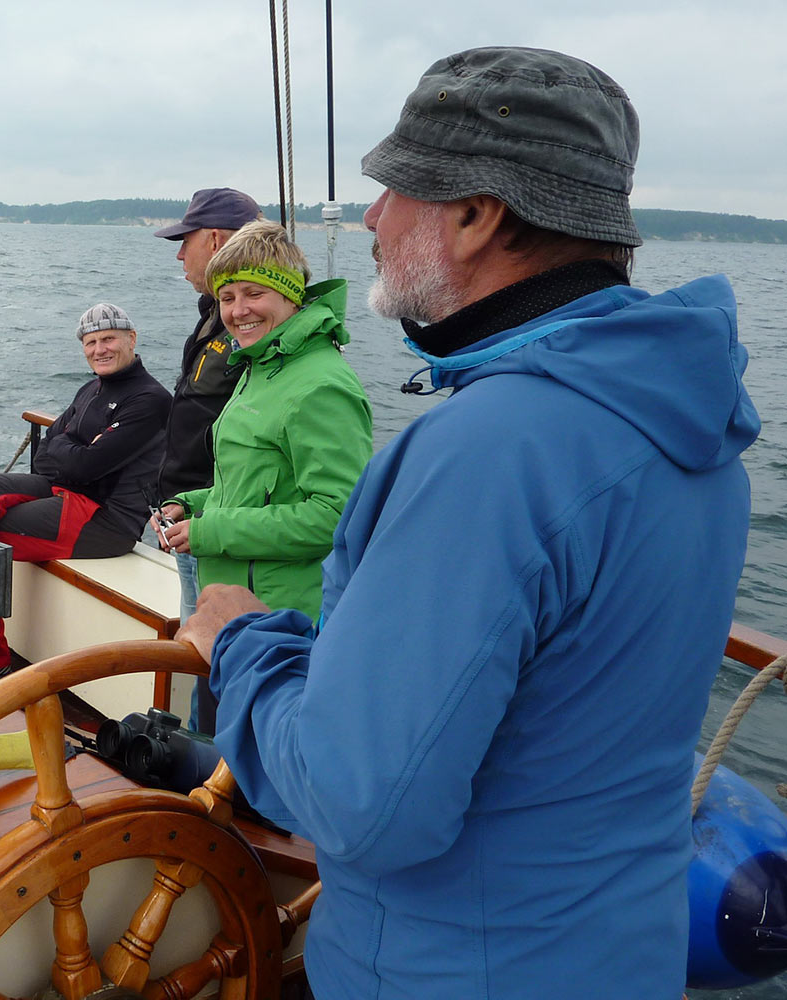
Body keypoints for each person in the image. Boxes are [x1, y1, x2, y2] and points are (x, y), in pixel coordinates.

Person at [177, 47, 759, 999]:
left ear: (477, 214)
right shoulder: (696, 425)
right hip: (618, 955)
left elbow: (360, 805)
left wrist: (242, 644)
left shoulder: (490, 451)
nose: (371, 218)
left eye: (392, 189)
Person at [154, 220, 371, 732]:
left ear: (291, 295)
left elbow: (336, 517)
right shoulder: (261, 366)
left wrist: (209, 531)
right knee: (208, 744)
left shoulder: (321, 385)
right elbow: (254, 483)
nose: (238, 311)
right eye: (227, 298)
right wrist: (194, 504)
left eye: (254, 294)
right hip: (229, 618)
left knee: (242, 765)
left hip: (279, 626)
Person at [0, 303, 169, 681]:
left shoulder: (150, 400)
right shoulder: (90, 390)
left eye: (108, 339)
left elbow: (81, 464)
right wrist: (76, 450)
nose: (99, 349)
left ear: (131, 339)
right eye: (91, 342)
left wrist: (71, 450)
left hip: (104, 519)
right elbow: (47, 455)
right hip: (63, 491)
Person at [153, 188, 263, 623]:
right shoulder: (215, 316)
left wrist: (206, 517)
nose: (180, 255)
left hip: (217, 529)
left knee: (210, 637)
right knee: (195, 629)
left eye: (186, 241)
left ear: (215, 240)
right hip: (192, 514)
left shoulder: (246, 329)